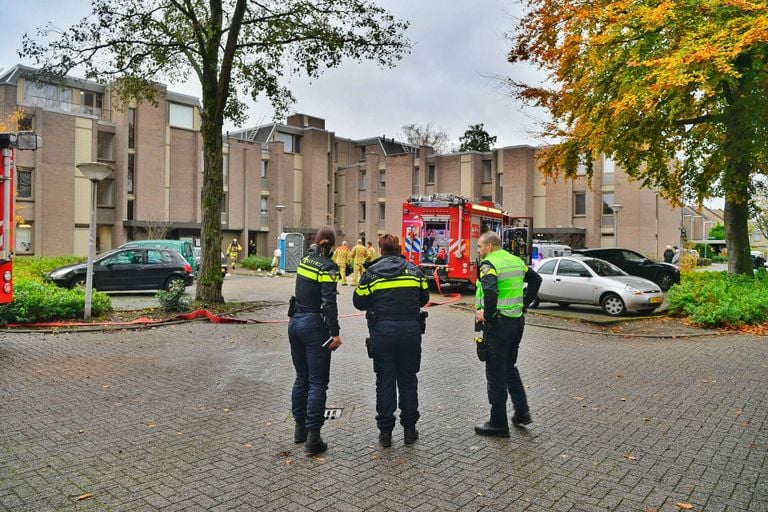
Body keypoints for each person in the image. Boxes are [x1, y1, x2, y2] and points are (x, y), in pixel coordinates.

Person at [353, 234, 429, 448]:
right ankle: (409, 430)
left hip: (383, 333)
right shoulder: (415, 271)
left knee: (384, 381)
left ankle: (385, 433)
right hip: (410, 332)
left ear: (381, 250)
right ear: (398, 248)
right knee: (408, 380)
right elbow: (424, 298)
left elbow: (359, 301)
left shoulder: (371, 274)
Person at [474, 231, 541, 437]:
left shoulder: (489, 264)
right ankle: (522, 412)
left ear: (489, 247)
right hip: (516, 323)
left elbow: (491, 292)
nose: (478, 250)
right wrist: (524, 305)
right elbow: (536, 280)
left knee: (495, 374)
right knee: (508, 367)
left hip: (498, 326)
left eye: (479, 247)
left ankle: (498, 423)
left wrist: (488, 315)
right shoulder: (515, 261)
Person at [288, 226, 343, 455]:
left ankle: (299, 430)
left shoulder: (305, 260)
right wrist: (335, 333)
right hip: (313, 327)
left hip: (295, 324)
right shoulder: (328, 267)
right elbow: (328, 303)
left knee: (302, 378)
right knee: (318, 382)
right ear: (332, 244)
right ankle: (313, 438)